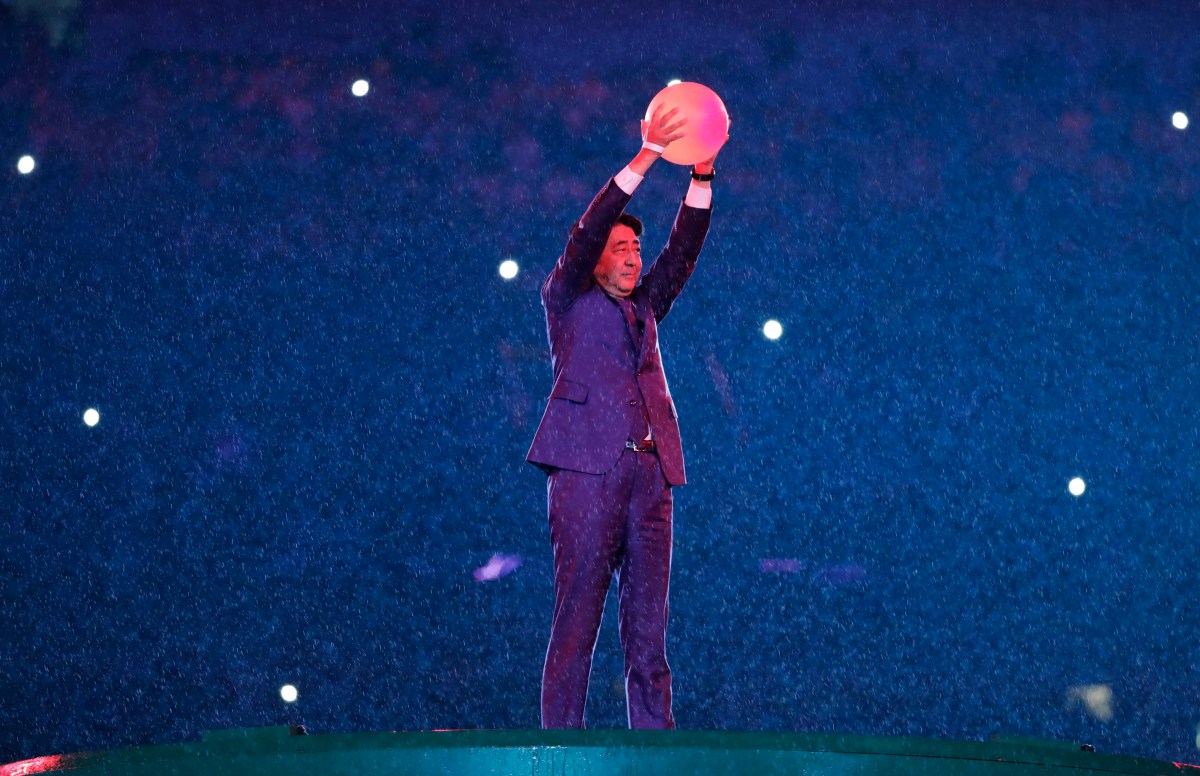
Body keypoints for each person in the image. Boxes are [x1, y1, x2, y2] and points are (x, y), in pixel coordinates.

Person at [526, 104, 722, 729]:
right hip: (586, 473)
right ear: (595, 261)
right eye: (622, 248)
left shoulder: (646, 305)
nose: (635, 256)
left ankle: (656, 751)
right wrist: (645, 160)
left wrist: (701, 177)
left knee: (649, 636)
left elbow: (683, 251)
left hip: (650, 479)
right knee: (577, 621)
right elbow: (588, 232)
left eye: (637, 247)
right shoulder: (566, 296)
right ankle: (561, 748)